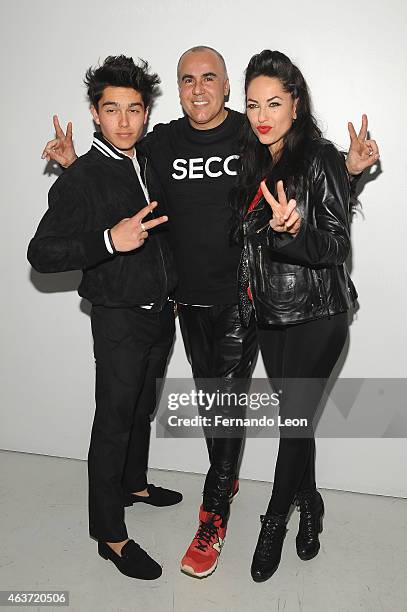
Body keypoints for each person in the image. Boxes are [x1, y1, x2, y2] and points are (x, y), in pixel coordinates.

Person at [41, 46, 379, 579]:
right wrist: (73, 167)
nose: (199, 89)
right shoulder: (159, 142)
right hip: (183, 302)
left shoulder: (253, 132)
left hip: (248, 300)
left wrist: (351, 170)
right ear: (177, 91)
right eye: (187, 80)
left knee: (235, 412)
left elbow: (304, 172)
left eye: (210, 79)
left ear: (226, 89)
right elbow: (115, 155)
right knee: (214, 407)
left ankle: (214, 512)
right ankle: (286, 495)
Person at [28, 56, 182, 581]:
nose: (123, 121)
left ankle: (134, 485)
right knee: (113, 424)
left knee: (141, 409)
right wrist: (109, 241)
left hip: (161, 313)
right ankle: (110, 536)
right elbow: (42, 252)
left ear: (145, 114)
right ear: (95, 114)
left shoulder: (147, 159)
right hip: (118, 321)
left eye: (133, 110)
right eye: (111, 109)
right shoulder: (85, 177)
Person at [231, 49, 371, 582]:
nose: (261, 114)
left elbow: (335, 246)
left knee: (292, 425)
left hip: (318, 313)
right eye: (251, 104)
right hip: (271, 312)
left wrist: (293, 232)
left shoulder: (322, 158)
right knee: (298, 421)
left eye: (273, 102)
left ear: (296, 104)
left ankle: (275, 524)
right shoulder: (254, 159)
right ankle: (310, 503)